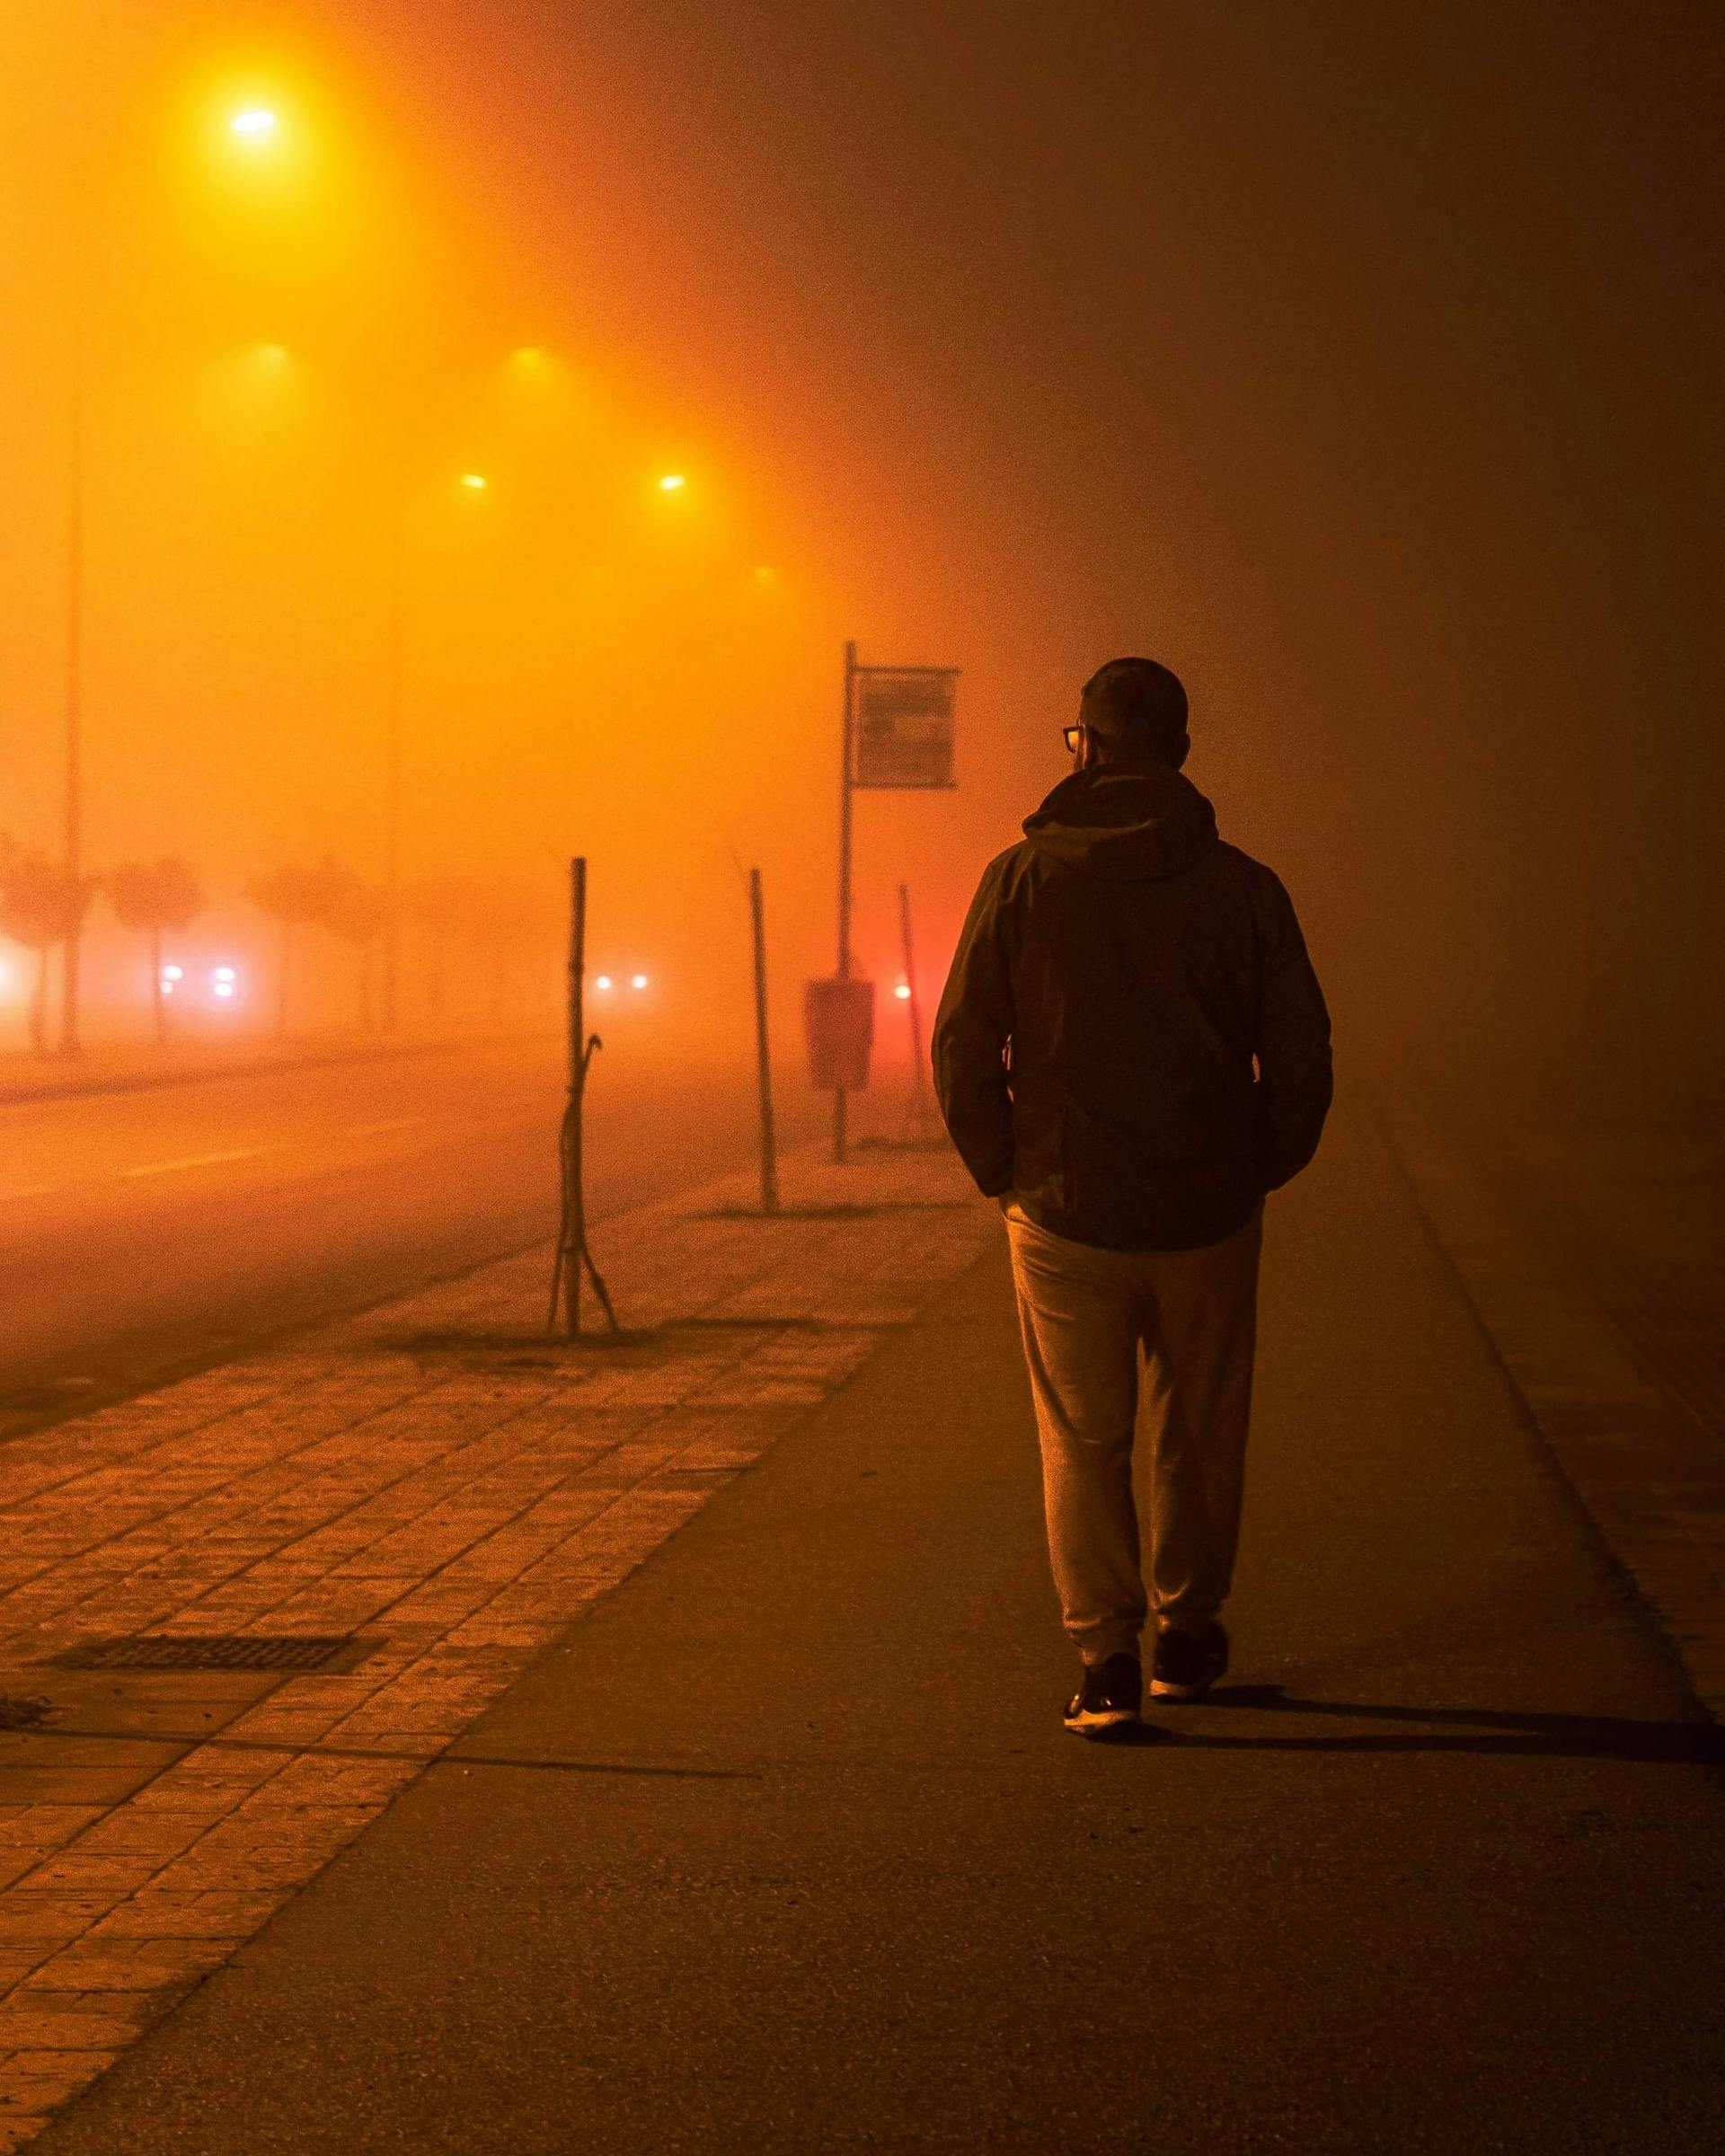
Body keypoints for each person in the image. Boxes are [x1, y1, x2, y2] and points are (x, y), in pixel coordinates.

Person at [933, 658, 1331, 1737]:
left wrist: (1005, 1171)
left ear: (1088, 747)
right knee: (1201, 1431)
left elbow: (965, 1040)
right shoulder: (1246, 890)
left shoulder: (1022, 880)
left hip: (1065, 1212)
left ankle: (1104, 1657)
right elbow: (1300, 1061)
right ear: (1184, 753)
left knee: (1081, 1436)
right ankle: (1189, 1636)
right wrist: (1252, 1166)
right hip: (1208, 1211)